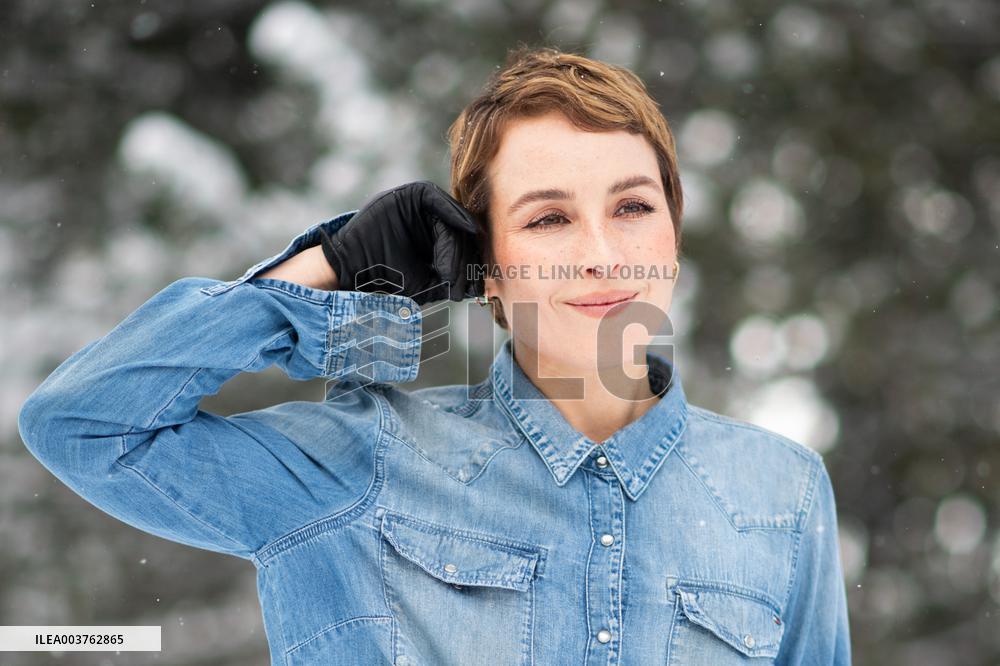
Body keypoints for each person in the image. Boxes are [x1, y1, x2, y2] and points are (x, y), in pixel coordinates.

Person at [17, 45, 851, 665]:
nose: (602, 254)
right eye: (549, 218)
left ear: (673, 232)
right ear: (484, 268)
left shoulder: (780, 493)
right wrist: (324, 269)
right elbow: (85, 424)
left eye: (631, 206)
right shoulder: (363, 460)